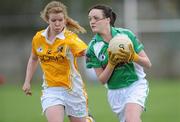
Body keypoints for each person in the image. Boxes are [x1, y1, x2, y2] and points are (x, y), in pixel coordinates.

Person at [22, 1, 94, 122]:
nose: (57, 23)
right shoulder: (38, 38)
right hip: (51, 89)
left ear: (65, 20)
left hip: (73, 89)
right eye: (53, 20)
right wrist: (27, 81)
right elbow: (34, 58)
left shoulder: (70, 38)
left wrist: (98, 55)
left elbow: (86, 51)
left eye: (60, 20)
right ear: (47, 20)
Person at [86, 4, 152, 122]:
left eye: (96, 18)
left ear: (107, 19)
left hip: (135, 85)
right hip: (115, 93)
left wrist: (133, 57)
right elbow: (102, 80)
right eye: (90, 19)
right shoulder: (92, 47)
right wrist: (111, 63)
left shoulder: (126, 35)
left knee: (132, 118)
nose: (92, 22)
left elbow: (147, 63)